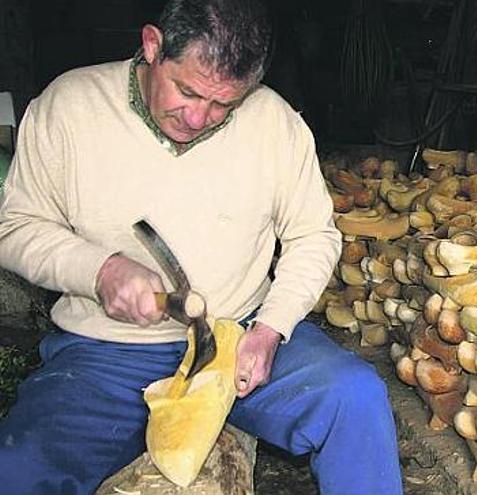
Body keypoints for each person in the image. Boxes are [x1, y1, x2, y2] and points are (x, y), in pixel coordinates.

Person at [0, 0, 403, 493]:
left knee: (355, 399)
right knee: (19, 467)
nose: (197, 117)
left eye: (223, 105)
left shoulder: (274, 123)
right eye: (187, 91)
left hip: (238, 339)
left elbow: (314, 235)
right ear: (153, 46)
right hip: (104, 353)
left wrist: (271, 330)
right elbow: (15, 226)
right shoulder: (68, 108)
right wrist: (97, 270)